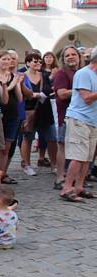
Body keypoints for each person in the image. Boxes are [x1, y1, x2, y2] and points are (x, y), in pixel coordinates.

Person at [60, 46, 97, 202]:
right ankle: (67, 188)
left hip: (92, 121)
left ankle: (79, 187)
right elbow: (87, 98)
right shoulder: (84, 74)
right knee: (77, 156)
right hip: (79, 119)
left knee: (87, 158)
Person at [19, 51, 54, 176]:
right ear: (28, 63)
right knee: (28, 137)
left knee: (52, 138)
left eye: (40, 61)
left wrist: (44, 93)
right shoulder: (22, 76)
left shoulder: (44, 75)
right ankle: (26, 164)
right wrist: (35, 95)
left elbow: (50, 89)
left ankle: (54, 165)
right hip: (29, 110)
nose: (38, 63)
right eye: (35, 61)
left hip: (44, 109)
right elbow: (22, 93)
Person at [52, 45, 81, 190]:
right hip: (65, 115)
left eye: (73, 54)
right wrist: (80, 89)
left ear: (78, 57)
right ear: (63, 59)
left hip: (80, 117)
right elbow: (61, 94)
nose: (70, 57)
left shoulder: (81, 72)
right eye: (67, 55)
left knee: (76, 149)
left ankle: (75, 177)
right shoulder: (61, 74)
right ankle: (59, 178)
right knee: (62, 146)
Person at [0, 50, 24, 183]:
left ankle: (0, 176)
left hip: (12, 115)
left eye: (9, 59)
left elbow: (19, 98)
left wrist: (17, 83)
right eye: (4, 59)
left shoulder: (12, 75)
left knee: (6, 148)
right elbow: (1, 97)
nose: (8, 62)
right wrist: (10, 85)